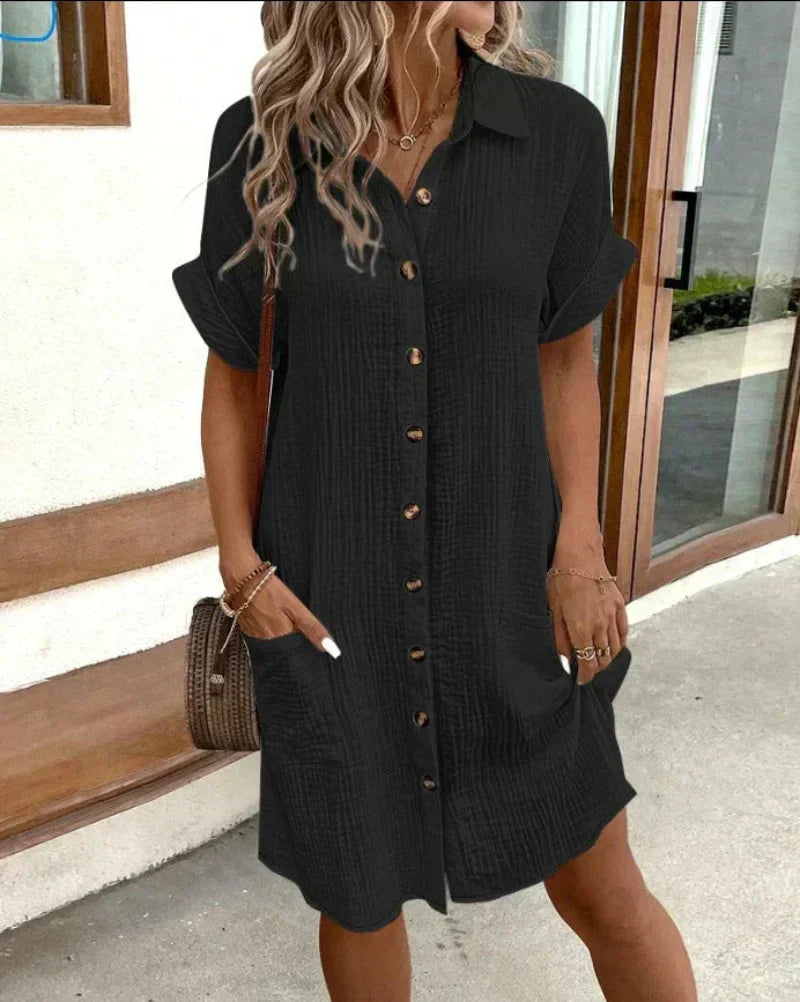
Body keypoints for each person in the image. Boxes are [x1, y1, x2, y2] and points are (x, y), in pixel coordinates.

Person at [172, 2, 697, 999]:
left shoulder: (555, 133)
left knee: (600, 885)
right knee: (357, 893)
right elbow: (235, 371)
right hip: (333, 598)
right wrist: (241, 566)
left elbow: (562, 359)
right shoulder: (263, 140)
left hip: (507, 586)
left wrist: (580, 552)